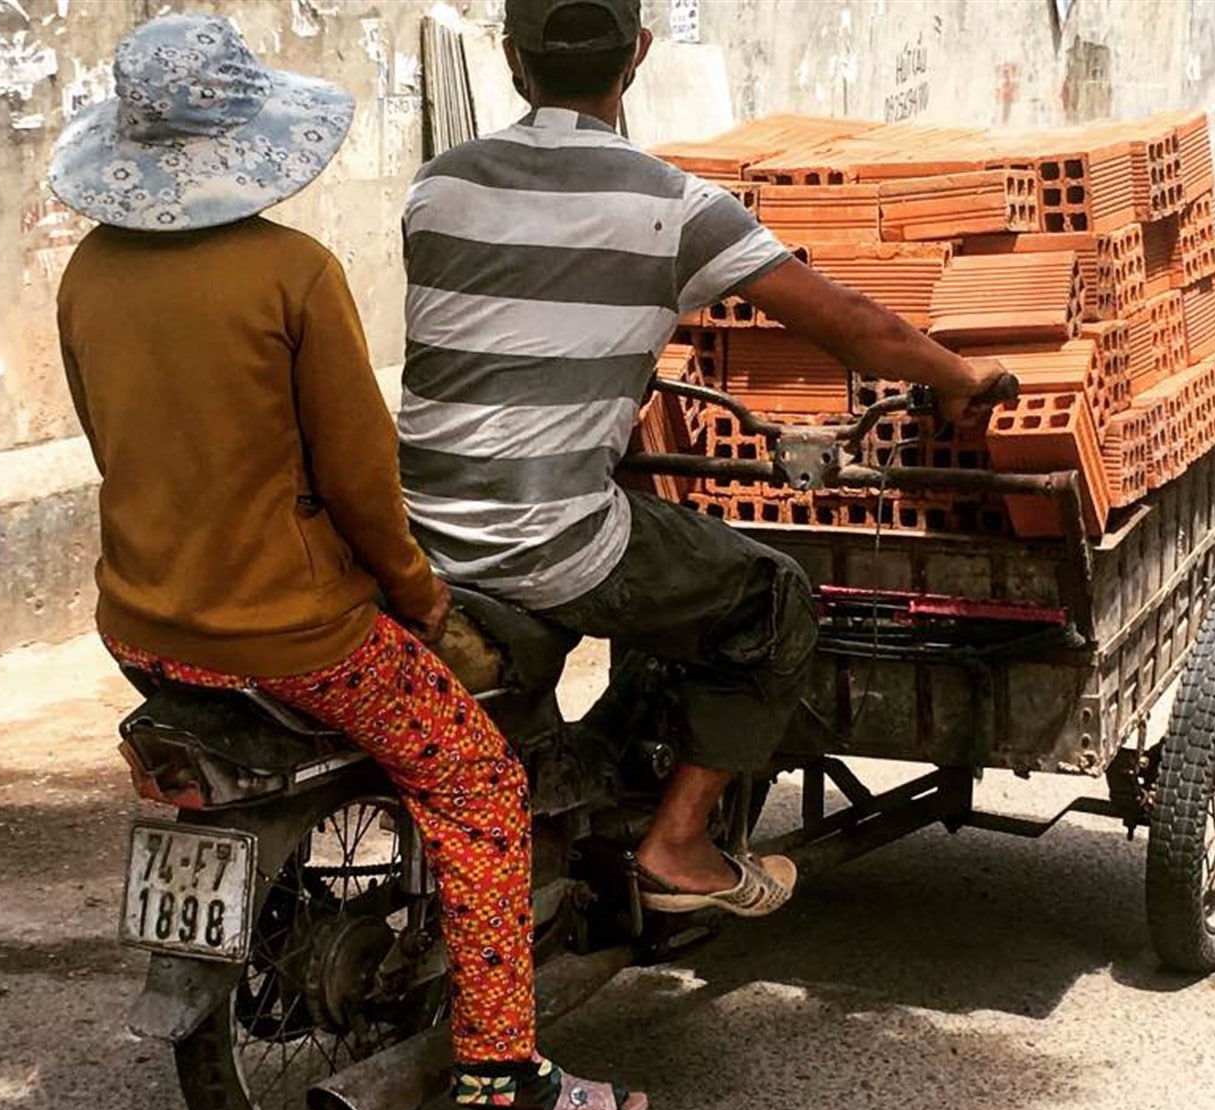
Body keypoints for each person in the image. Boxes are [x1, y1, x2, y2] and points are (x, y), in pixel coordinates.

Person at [49, 13, 644, 1110]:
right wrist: (418, 598)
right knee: (475, 787)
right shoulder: (293, 273)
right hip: (296, 635)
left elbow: (107, 439)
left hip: (140, 626)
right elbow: (365, 485)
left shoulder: (87, 273)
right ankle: (499, 1077)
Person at [398, 0, 1008, 915]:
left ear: (513, 60)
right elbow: (858, 328)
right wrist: (958, 375)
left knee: (657, 564)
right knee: (769, 599)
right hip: (549, 541)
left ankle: (576, 794)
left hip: (418, 531)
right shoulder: (673, 207)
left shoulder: (436, 188)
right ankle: (679, 843)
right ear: (638, 55)